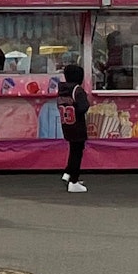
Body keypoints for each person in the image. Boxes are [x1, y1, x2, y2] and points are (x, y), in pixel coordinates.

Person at [57, 64, 91, 193]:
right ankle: (74, 181)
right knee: (77, 153)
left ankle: (68, 173)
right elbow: (84, 107)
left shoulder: (62, 90)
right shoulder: (77, 90)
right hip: (78, 125)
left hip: (67, 125)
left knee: (73, 150)